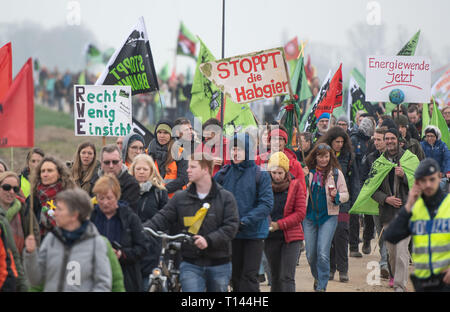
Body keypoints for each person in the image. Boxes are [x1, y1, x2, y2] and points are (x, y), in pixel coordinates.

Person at [144, 153, 239, 292]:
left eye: (192, 167)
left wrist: (209, 240)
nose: (188, 170)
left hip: (219, 263)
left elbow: (231, 226)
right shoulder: (180, 198)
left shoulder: (225, 197)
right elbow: (162, 218)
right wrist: (142, 230)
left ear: (206, 169)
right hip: (190, 263)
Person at [214, 133, 274, 292]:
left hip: (253, 234)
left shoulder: (260, 174)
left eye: (239, 149)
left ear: (247, 151)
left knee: (249, 277)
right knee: (235, 277)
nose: (235, 153)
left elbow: (266, 204)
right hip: (231, 234)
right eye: (232, 149)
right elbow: (210, 193)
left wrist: (245, 221)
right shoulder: (224, 173)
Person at [23, 188, 112, 292]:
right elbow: (35, 280)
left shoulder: (96, 244)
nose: (55, 213)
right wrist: (31, 254)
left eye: (60, 209)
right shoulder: (51, 239)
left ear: (74, 215)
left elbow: (104, 284)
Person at [384, 158, 450, 292]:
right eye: (423, 181)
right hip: (424, 281)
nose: (428, 185)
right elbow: (391, 236)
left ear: (439, 177)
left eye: (432, 179)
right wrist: (408, 205)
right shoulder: (415, 208)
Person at [371, 128, 419, 292]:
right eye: (387, 138)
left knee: (401, 252)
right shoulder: (378, 163)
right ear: (384, 141)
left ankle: (400, 285)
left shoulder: (410, 159)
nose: (390, 141)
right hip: (387, 214)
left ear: (399, 140)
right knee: (391, 254)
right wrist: (386, 199)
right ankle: (395, 277)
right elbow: (372, 190)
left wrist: (404, 176)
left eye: (393, 138)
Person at [303, 143, 349, 291]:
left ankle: (322, 286)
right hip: (309, 217)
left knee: (323, 253)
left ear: (331, 157)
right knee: (310, 254)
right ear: (315, 157)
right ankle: (317, 276)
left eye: (326, 156)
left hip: (329, 217)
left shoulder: (336, 173)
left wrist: (337, 196)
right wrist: (302, 177)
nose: (323, 159)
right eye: (320, 156)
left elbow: (346, 194)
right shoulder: (308, 172)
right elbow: (298, 190)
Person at [91, 174, 148, 292]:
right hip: (95, 276)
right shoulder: (91, 217)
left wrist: (122, 254)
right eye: (101, 198)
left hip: (126, 276)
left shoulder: (130, 218)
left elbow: (142, 248)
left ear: (117, 197)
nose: (105, 202)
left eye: (109, 198)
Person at [317, 127, 359, 282]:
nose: (340, 144)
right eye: (337, 142)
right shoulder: (321, 155)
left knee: (341, 234)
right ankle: (330, 269)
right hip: (325, 202)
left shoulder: (349, 157)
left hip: (343, 200)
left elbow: (354, 180)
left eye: (342, 142)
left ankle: (343, 269)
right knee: (329, 237)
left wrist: (355, 201)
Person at [264, 152, 306, 292]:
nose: (277, 176)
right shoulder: (264, 187)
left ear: (286, 171)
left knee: (287, 276)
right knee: (275, 277)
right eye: (274, 172)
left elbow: (300, 213)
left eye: (280, 173)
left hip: (291, 237)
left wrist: (279, 224)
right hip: (270, 237)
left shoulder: (295, 186)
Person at [129, 154, 169, 290]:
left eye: (145, 169)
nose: (141, 172)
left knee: (148, 284)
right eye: (138, 169)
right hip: (130, 246)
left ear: (151, 171)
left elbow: (166, 218)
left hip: (151, 247)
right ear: (132, 170)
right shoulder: (125, 192)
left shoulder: (160, 192)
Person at [360, 128, 389, 278]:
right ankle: (384, 263)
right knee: (381, 232)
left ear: (387, 140)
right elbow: (364, 178)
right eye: (375, 140)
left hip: (395, 202)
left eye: (379, 140)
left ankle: (392, 263)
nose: (376, 143)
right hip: (377, 201)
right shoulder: (370, 157)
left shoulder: (397, 157)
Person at [27, 156, 76, 239]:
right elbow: (28, 226)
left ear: (59, 174)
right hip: (41, 244)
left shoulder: (71, 196)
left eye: (50, 171)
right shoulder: (32, 199)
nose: (45, 174)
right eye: (42, 171)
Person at [90, 144, 140, 213]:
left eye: (115, 162)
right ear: (101, 163)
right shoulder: (94, 180)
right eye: (107, 162)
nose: (111, 166)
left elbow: (128, 214)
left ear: (121, 161)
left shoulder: (131, 184)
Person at [0, 172, 40, 255]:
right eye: (6, 187)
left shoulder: (25, 210)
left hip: (20, 262)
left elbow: (34, 235)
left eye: (15, 189)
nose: (11, 192)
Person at [148, 120, 188, 198]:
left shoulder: (181, 152)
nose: (162, 135)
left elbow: (183, 179)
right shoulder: (148, 152)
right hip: (154, 197)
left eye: (166, 133)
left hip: (175, 199)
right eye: (159, 132)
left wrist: (162, 190)